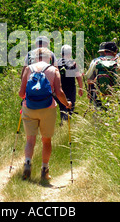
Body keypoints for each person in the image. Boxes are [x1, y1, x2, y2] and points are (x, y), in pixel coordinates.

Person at [19, 47, 72, 181]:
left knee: (30, 139)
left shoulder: (28, 69)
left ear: (35, 58)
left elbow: (21, 93)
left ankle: (27, 163)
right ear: (50, 58)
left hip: (29, 108)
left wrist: (29, 98)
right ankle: (44, 170)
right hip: (48, 108)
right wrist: (67, 104)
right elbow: (59, 93)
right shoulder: (53, 70)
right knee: (46, 140)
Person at [85, 41, 120, 107]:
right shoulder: (119, 62)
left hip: (100, 96)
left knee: (99, 113)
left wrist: (90, 92)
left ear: (105, 51)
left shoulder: (97, 62)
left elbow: (89, 77)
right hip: (116, 96)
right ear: (116, 51)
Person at [56, 45, 83, 125]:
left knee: (62, 105)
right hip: (71, 88)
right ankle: (66, 123)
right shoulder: (73, 63)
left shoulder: (56, 63)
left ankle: (63, 121)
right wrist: (80, 88)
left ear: (61, 54)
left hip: (59, 87)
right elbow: (78, 77)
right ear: (70, 53)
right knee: (70, 106)